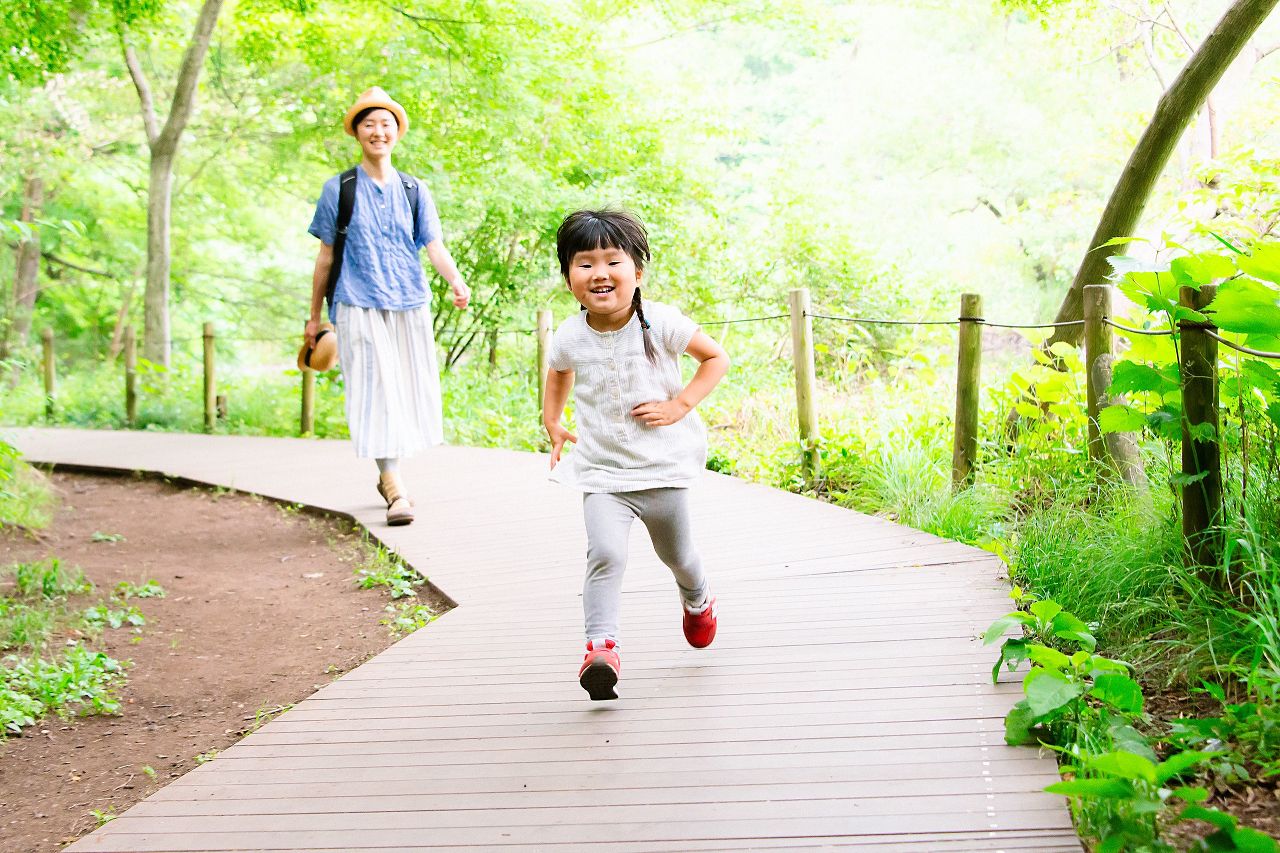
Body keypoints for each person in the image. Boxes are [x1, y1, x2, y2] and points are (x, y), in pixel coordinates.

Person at [542, 209, 730, 700]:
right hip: (603, 474)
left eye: (612, 261)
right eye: (584, 264)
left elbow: (716, 358)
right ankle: (600, 648)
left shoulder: (661, 321)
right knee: (604, 554)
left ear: (637, 272)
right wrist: (553, 421)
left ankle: (697, 599)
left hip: (663, 471)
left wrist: (679, 404)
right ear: (569, 278)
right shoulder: (569, 335)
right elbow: (559, 371)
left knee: (679, 557)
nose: (599, 273)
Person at [306, 87, 470, 526]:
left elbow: (433, 246)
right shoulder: (338, 188)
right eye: (369, 124)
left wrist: (456, 281)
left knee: (405, 391)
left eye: (386, 124)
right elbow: (324, 257)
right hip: (355, 302)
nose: (378, 131)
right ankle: (394, 484)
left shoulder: (416, 190)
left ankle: (389, 474)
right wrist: (313, 317)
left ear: (397, 133)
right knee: (376, 390)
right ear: (357, 133)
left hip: (408, 301)